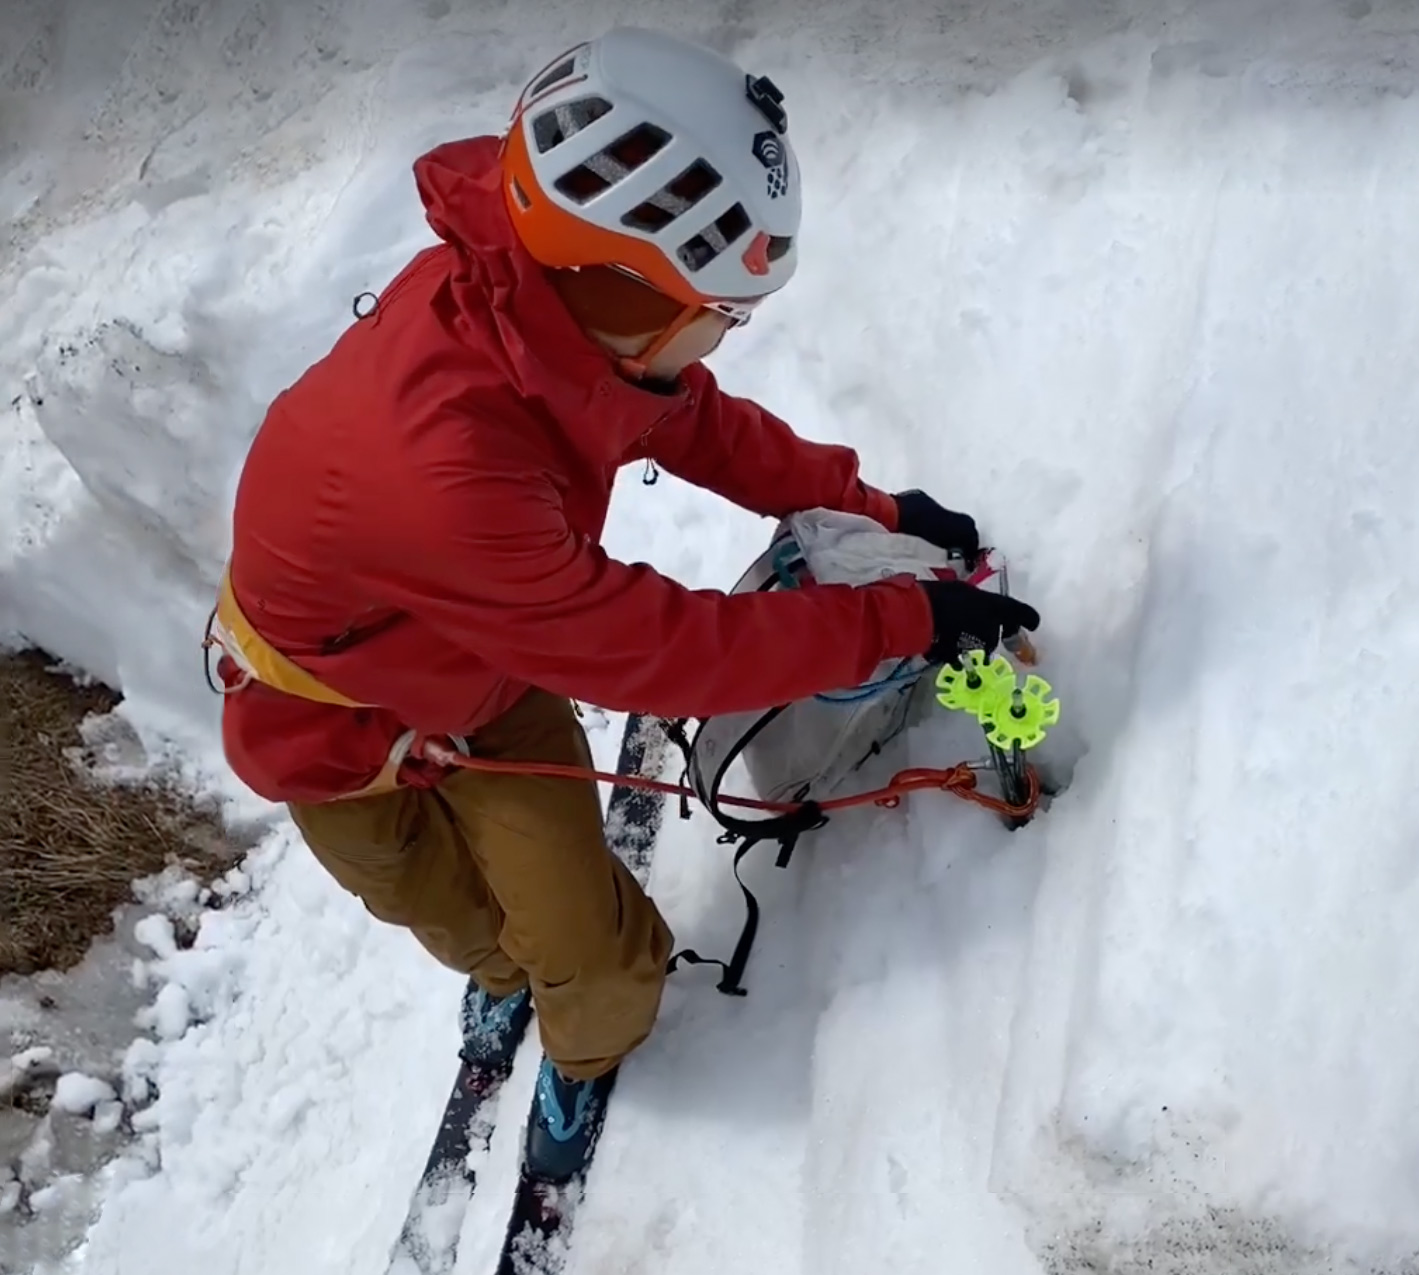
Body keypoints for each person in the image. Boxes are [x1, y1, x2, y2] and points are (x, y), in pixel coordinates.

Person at [208, 26, 1039, 1181]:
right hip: (319, 720)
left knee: (589, 955)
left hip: (474, 663)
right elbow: (666, 650)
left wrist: (868, 501)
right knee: (435, 902)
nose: (723, 336)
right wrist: (905, 622)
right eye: (718, 312)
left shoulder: (530, 296)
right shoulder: (444, 468)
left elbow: (688, 423)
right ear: (621, 282)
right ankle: (502, 979)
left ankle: (584, 1043)